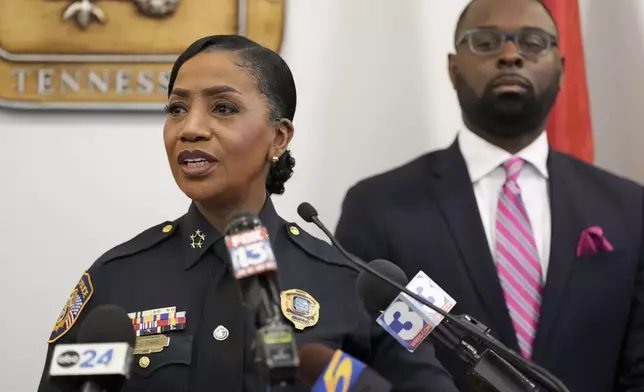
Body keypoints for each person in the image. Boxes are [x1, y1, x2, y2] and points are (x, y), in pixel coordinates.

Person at [36, 35, 459, 392]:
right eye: (176, 108)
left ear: (279, 136)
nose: (190, 128)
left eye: (223, 108)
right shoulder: (113, 279)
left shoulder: (364, 286)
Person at [335, 0, 644, 391]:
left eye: (532, 42)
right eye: (485, 42)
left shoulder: (629, 209)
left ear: (562, 69)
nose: (511, 55)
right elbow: (359, 357)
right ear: (452, 67)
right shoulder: (379, 208)